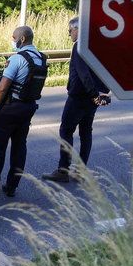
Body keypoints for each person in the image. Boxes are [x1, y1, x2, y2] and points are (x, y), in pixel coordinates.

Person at [0, 26, 47, 197]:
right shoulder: (41, 58)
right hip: (28, 107)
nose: (13, 40)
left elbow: (2, 87)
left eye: (14, 37)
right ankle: (12, 186)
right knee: (19, 147)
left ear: (22, 39)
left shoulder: (17, 59)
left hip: (10, 108)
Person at [42, 17, 110, 183]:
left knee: (66, 130)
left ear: (78, 29)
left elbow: (83, 73)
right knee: (86, 132)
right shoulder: (97, 46)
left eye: (70, 30)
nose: (69, 33)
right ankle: (80, 171)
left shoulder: (80, 45)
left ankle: (63, 170)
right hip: (92, 98)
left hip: (79, 96)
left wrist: (94, 94)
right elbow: (105, 69)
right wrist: (102, 93)